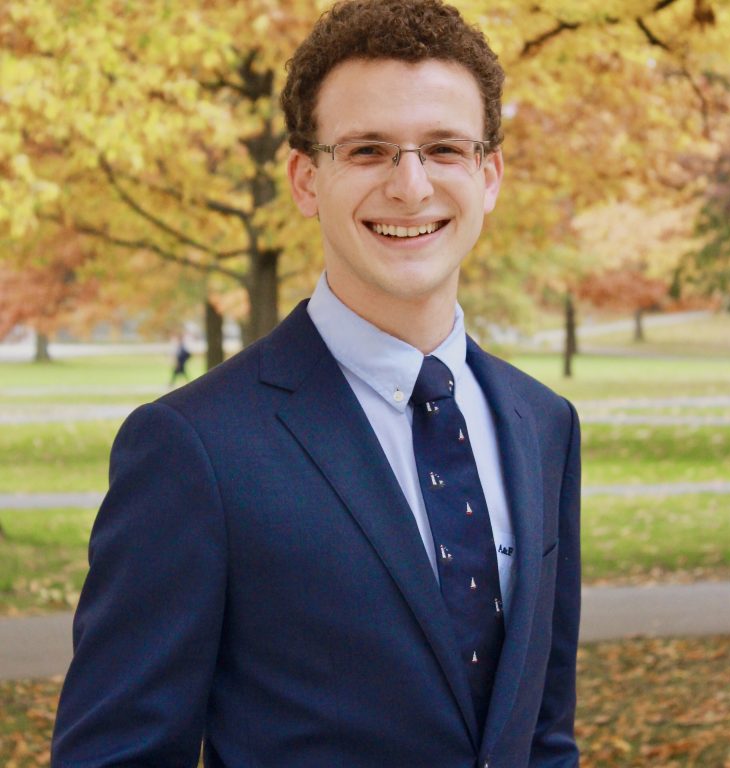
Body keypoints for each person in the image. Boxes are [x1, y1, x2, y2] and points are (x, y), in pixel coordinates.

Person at [51, 1, 581, 766]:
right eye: (368, 150)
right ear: (305, 179)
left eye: (443, 149)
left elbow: (541, 737)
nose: (410, 185)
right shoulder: (194, 449)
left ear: (488, 175)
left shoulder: (543, 423)